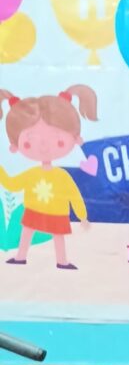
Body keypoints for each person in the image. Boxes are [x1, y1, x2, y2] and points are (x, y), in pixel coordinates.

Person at [0, 85, 97, 269]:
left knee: (56, 236)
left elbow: (74, 195)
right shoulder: (33, 174)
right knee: (27, 232)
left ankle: (61, 261)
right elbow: (12, 184)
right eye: (29, 142)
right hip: (34, 210)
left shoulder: (61, 176)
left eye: (58, 140)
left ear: (75, 139)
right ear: (15, 145)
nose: (44, 146)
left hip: (57, 213)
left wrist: (83, 216)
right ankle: (21, 256)